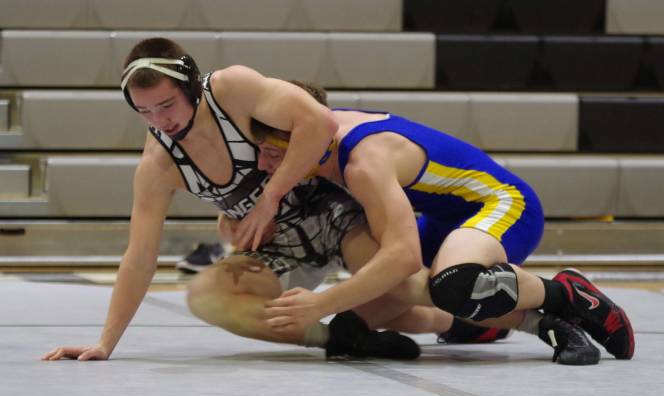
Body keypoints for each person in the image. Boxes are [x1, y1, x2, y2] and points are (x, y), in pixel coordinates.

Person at [41, 37, 432, 362]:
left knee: (402, 287)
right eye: (144, 112)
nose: (160, 121)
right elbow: (140, 255)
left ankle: (463, 318)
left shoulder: (232, 89)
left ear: (192, 89)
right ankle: (341, 339)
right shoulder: (158, 164)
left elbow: (321, 121)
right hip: (278, 243)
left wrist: (269, 197)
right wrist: (106, 342)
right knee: (206, 296)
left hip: (334, 213)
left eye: (166, 106)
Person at [250, 82, 634, 362]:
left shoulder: (364, 162)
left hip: (504, 204)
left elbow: (401, 257)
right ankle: (473, 321)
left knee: (452, 284)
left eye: (270, 153)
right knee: (350, 330)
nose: (263, 165)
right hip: (445, 219)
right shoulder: (321, 133)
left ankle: (564, 294)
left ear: (306, 142)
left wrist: (320, 303)